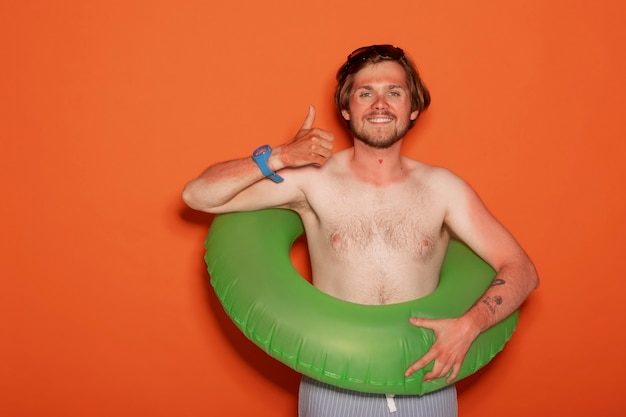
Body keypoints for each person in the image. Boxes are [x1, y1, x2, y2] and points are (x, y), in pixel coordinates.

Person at [182, 44, 539, 417]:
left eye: (394, 93)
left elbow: (522, 270)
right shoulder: (312, 182)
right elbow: (198, 195)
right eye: (366, 93)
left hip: (428, 379)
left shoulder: (443, 189)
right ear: (346, 109)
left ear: (413, 108)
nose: (380, 104)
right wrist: (282, 155)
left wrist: (470, 325)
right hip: (334, 381)